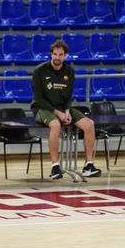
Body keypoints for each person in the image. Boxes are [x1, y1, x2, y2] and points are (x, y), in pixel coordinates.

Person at [31, 39, 101, 179]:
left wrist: (67, 111)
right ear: (51, 54)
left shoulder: (69, 71)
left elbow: (69, 96)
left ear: (66, 56)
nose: (57, 57)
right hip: (42, 108)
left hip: (63, 108)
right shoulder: (39, 71)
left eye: (60, 54)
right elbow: (39, 99)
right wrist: (58, 113)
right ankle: (55, 167)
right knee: (55, 125)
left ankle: (88, 165)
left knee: (89, 124)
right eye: (55, 54)